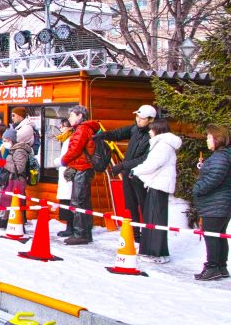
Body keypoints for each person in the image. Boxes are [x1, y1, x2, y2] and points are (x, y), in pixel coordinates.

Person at [95, 105, 155, 240]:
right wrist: (104, 135)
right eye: (137, 116)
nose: (138, 120)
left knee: (144, 204)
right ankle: (136, 234)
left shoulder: (152, 135)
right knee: (131, 204)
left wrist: (122, 165)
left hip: (142, 175)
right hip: (128, 173)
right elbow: (118, 133)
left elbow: (144, 159)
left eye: (142, 118)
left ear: (150, 120)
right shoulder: (135, 128)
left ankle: (148, 235)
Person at [130, 120, 181, 263]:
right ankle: (150, 250)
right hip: (157, 184)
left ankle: (155, 253)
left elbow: (152, 164)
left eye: (151, 129)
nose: (149, 132)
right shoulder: (161, 144)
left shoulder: (163, 145)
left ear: (158, 130)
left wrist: (135, 171)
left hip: (159, 185)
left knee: (155, 219)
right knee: (152, 219)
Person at [192, 125, 231, 281]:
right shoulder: (223, 155)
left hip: (216, 203)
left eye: (209, 137)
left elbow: (214, 178)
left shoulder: (220, 157)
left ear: (218, 138)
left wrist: (197, 188)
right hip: (221, 203)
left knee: (212, 235)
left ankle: (213, 267)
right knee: (219, 235)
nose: (207, 140)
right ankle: (221, 266)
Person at [59, 105, 101, 245]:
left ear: (80, 116)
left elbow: (75, 149)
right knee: (84, 201)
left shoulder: (82, 129)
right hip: (85, 167)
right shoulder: (87, 128)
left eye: (72, 115)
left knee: (77, 201)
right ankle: (85, 232)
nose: (70, 118)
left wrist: (63, 160)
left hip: (82, 168)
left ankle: (80, 234)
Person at [0, 128, 32, 232]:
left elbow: (19, 169)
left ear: (12, 140)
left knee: (16, 204)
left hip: (17, 181)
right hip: (12, 180)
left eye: (6, 140)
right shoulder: (14, 150)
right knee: (8, 201)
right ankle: (7, 222)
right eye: (4, 140)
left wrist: (4, 164)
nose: (5, 142)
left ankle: (19, 226)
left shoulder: (19, 151)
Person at [53, 121, 74, 226]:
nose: (60, 128)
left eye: (63, 126)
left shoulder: (70, 140)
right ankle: (68, 226)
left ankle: (70, 226)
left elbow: (67, 157)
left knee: (68, 201)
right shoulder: (65, 139)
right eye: (60, 126)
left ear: (70, 128)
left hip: (68, 174)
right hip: (65, 174)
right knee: (65, 201)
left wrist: (57, 161)